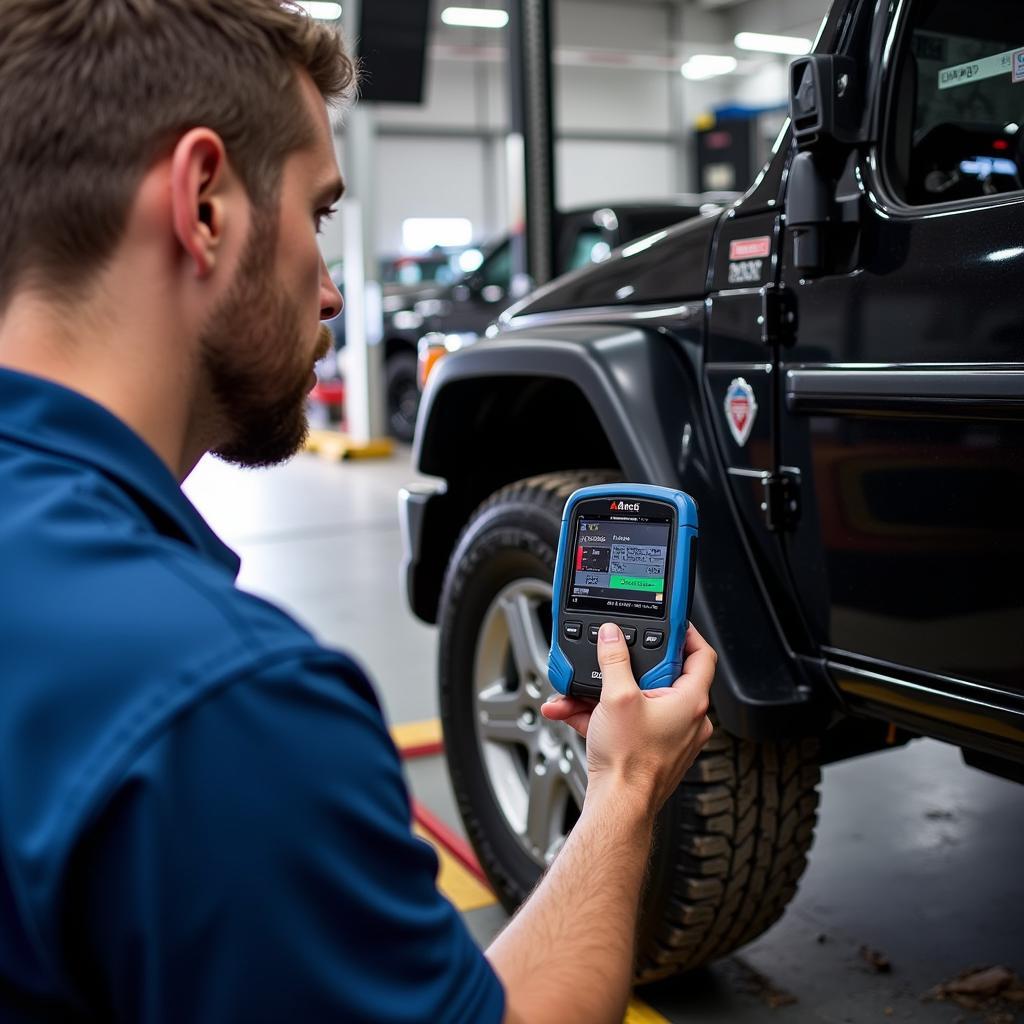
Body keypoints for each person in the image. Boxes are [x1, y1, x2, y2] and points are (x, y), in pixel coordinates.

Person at [0, 2, 716, 1022]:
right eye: (319, 213)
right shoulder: (222, 709)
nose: (332, 292)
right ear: (204, 204)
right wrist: (628, 786)